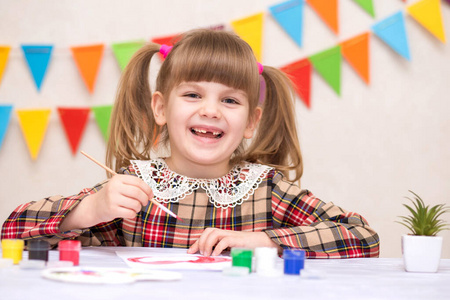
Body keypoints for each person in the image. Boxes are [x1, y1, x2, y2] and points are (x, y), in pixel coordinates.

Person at [1, 29, 379, 258]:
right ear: (161, 108)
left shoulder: (267, 189)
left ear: (251, 122)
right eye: (193, 95)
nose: (211, 111)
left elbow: (363, 236)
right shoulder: (135, 187)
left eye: (229, 100)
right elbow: (11, 230)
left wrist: (264, 241)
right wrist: (88, 210)